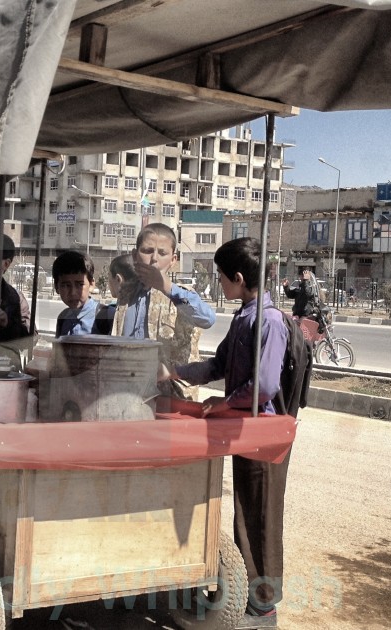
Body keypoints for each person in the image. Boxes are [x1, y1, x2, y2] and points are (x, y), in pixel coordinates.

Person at [160, 237, 290, 629]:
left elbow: (264, 386)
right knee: (245, 515)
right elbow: (220, 364)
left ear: (237, 277)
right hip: (244, 431)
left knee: (261, 517)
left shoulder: (268, 320)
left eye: (221, 278)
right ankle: (252, 595)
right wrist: (178, 372)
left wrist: (226, 403)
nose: (219, 285)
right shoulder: (245, 316)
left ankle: (264, 606)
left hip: (261, 433)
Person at [110, 222, 216, 400]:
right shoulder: (126, 294)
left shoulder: (181, 294)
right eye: (147, 251)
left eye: (162, 253)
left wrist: (166, 287)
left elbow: (207, 319)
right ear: (135, 256)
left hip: (173, 395)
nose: (154, 259)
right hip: (130, 390)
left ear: (173, 260)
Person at [52, 249, 108, 336]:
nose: (73, 292)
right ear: (56, 287)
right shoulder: (63, 318)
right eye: (66, 285)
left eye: (80, 284)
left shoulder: (104, 316)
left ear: (91, 284)